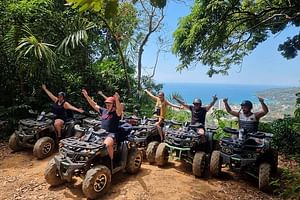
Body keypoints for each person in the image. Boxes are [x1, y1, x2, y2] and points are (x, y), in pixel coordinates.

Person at [82, 89, 122, 160]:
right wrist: (87, 97)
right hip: (101, 132)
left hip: (111, 133)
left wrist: (117, 100)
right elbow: (94, 105)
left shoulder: (116, 113)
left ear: (114, 105)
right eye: (106, 105)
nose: (107, 106)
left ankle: (111, 161)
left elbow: (119, 109)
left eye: (109, 105)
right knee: (84, 139)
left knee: (107, 144)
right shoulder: (104, 111)